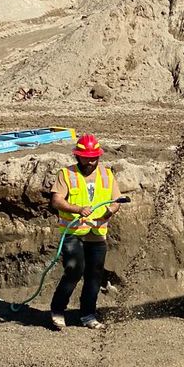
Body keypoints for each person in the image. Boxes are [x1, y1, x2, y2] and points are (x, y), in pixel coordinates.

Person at [49, 133, 123, 330]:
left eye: (94, 158)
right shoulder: (66, 174)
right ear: (77, 156)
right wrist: (77, 209)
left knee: (95, 275)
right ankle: (57, 310)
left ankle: (88, 314)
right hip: (73, 232)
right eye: (86, 158)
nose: (90, 162)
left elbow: (116, 201)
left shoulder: (107, 174)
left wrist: (110, 212)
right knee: (74, 270)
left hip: (97, 233)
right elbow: (56, 200)